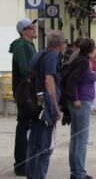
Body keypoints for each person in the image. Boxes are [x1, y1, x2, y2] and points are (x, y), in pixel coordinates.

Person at [25, 30, 65, 179]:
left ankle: (32, 175)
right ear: (61, 44)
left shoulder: (39, 54)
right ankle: (38, 176)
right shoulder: (52, 56)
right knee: (44, 146)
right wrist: (56, 106)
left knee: (34, 144)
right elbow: (49, 81)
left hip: (35, 104)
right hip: (45, 106)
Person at [63, 38, 96, 179]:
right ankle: (79, 174)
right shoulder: (83, 62)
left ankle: (75, 172)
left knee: (76, 138)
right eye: (95, 48)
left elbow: (74, 78)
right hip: (81, 103)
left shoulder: (79, 59)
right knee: (81, 139)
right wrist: (75, 99)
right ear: (91, 49)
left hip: (80, 102)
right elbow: (72, 81)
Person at [9, 18, 37, 176]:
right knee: (24, 127)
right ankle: (20, 164)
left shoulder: (28, 45)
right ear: (23, 31)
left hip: (27, 90)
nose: (34, 29)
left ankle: (24, 161)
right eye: (31, 27)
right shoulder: (21, 46)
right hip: (25, 91)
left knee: (26, 126)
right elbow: (27, 70)